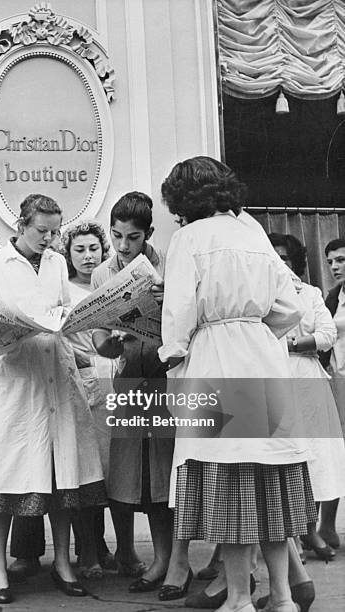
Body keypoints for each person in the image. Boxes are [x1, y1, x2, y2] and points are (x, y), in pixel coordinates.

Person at [159, 157, 316, 612]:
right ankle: (284, 596)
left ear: (185, 200)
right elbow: (289, 307)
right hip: (263, 357)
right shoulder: (254, 234)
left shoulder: (188, 238)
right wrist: (255, 324)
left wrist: (173, 362)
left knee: (231, 483)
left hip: (216, 358)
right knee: (269, 480)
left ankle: (241, 599)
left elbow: (179, 316)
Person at [0, 194, 106, 605]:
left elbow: (66, 312)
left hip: (56, 375)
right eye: (42, 231)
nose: (50, 239)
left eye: (55, 231)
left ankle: (63, 562)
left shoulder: (56, 263)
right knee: (6, 476)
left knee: (62, 476)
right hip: (16, 380)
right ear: (20, 224)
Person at [92, 192, 177, 598]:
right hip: (128, 381)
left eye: (133, 237)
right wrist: (113, 340)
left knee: (164, 476)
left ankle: (166, 561)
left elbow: (185, 330)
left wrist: (164, 308)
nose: (123, 246)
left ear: (149, 235)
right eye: (117, 236)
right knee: (128, 477)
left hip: (165, 381)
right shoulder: (102, 274)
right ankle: (133, 553)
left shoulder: (170, 267)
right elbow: (101, 344)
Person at [269, 234, 345, 564]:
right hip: (274, 378)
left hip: (309, 379)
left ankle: (310, 528)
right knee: (283, 457)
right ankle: (290, 535)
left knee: (314, 455)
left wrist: (293, 344)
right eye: (274, 259)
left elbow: (327, 336)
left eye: (285, 259)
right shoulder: (260, 297)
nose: (280, 265)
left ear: (296, 263)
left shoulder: (311, 293)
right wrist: (304, 341)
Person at [61, 220, 116, 578]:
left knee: (113, 471)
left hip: (115, 382)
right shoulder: (64, 290)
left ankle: (107, 545)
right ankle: (88, 549)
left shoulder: (112, 285)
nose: (87, 256)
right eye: (79, 250)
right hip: (80, 385)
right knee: (86, 471)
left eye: (93, 248)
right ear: (68, 254)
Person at [316, 237, 345, 550]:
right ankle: (326, 526)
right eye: (331, 262)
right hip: (338, 384)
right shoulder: (333, 298)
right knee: (334, 452)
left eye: (341, 260)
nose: (335, 267)